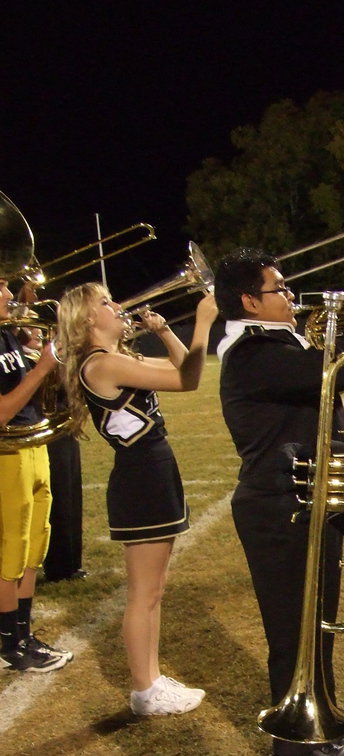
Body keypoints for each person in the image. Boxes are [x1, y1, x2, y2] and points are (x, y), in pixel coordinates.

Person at [214, 249, 344, 756]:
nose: (291, 297)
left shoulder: (272, 344)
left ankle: (320, 722)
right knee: (296, 625)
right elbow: (338, 372)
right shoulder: (250, 352)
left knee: (315, 619)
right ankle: (296, 739)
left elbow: (340, 370)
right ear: (249, 300)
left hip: (305, 498)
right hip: (278, 505)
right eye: (279, 289)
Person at [56, 283, 218, 714]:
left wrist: (166, 331)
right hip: (141, 477)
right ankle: (144, 690)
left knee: (154, 591)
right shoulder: (103, 364)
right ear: (89, 319)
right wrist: (203, 320)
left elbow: (185, 368)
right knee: (143, 593)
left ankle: (152, 679)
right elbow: (189, 379)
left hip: (152, 472)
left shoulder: (116, 359)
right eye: (107, 302)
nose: (118, 305)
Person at [0, 275, 72, 671]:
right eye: (1, 288)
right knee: (10, 551)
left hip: (32, 444)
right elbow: (2, 411)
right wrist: (42, 367)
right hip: (6, 452)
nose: (10, 295)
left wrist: (33, 347)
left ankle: (23, 633)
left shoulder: (6, 333)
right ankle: (10, 642)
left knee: (34, 546)